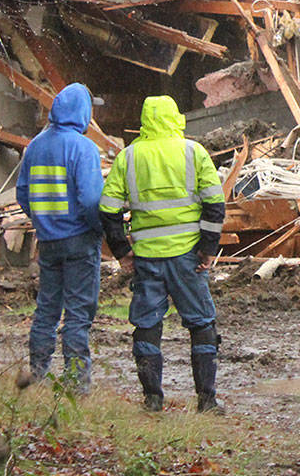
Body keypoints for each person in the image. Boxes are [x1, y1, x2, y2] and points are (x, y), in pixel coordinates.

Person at [99, 96, 226, 412]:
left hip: (147, 259)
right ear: (177, 118)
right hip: (189, 259)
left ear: (144, 120)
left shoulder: (128, 157)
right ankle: (207, 400)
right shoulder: (193, 152)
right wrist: (208, 250)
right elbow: (215, 204)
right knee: (201, 324)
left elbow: (108, 208)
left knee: (147, 325)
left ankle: (153, 399)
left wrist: (122, 253)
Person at [16, 83, 105, 395]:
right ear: (83, 113)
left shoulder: (35, 146)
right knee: (78, 315)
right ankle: (76, 386)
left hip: (48, 241)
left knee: (47, 310)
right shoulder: (83, 148)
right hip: (80, 239)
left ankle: (37, 374)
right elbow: (93, 200)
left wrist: (43, 220)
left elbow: (23, 193)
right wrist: (99, 229)